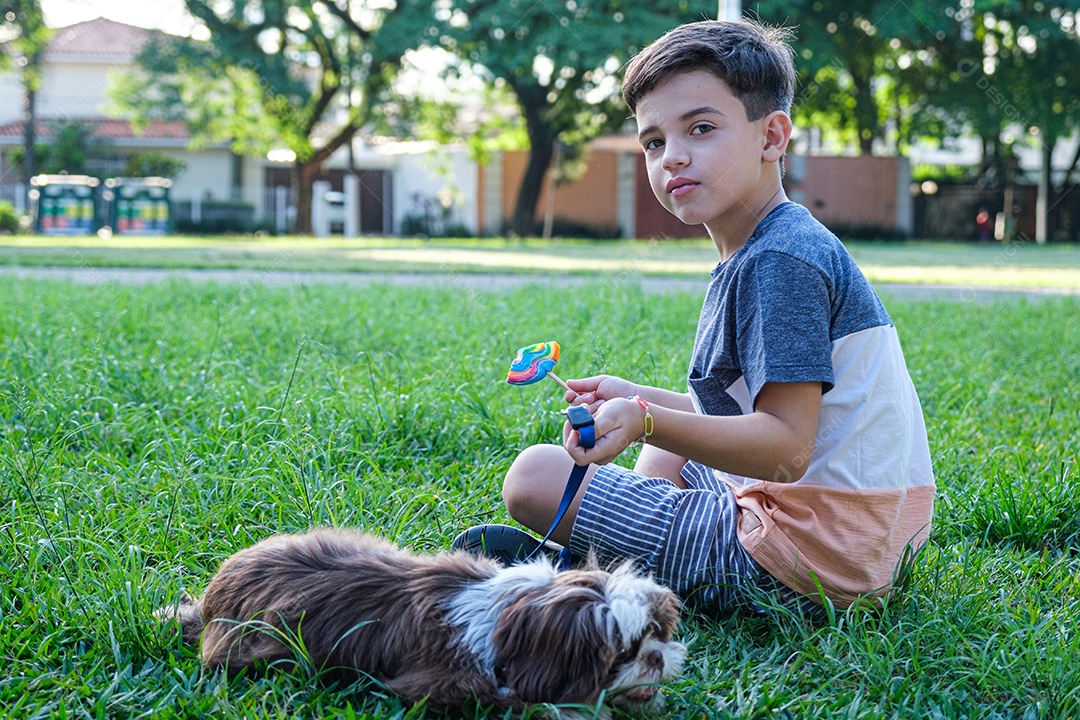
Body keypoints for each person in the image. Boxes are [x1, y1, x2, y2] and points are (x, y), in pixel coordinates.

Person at [453, 19, 935, 613]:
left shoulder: (780, 261)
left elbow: (785, 449)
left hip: (805, 561)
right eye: (653, 142)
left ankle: (598, 578)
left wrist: (647, 422)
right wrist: (637, 401)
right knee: (668, 450)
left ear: (772, 136)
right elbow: (743, 416)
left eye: (701, 129)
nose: (672, 157)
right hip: (858, 537)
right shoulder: (775, 244)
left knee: (534, 477)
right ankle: (613, 561)